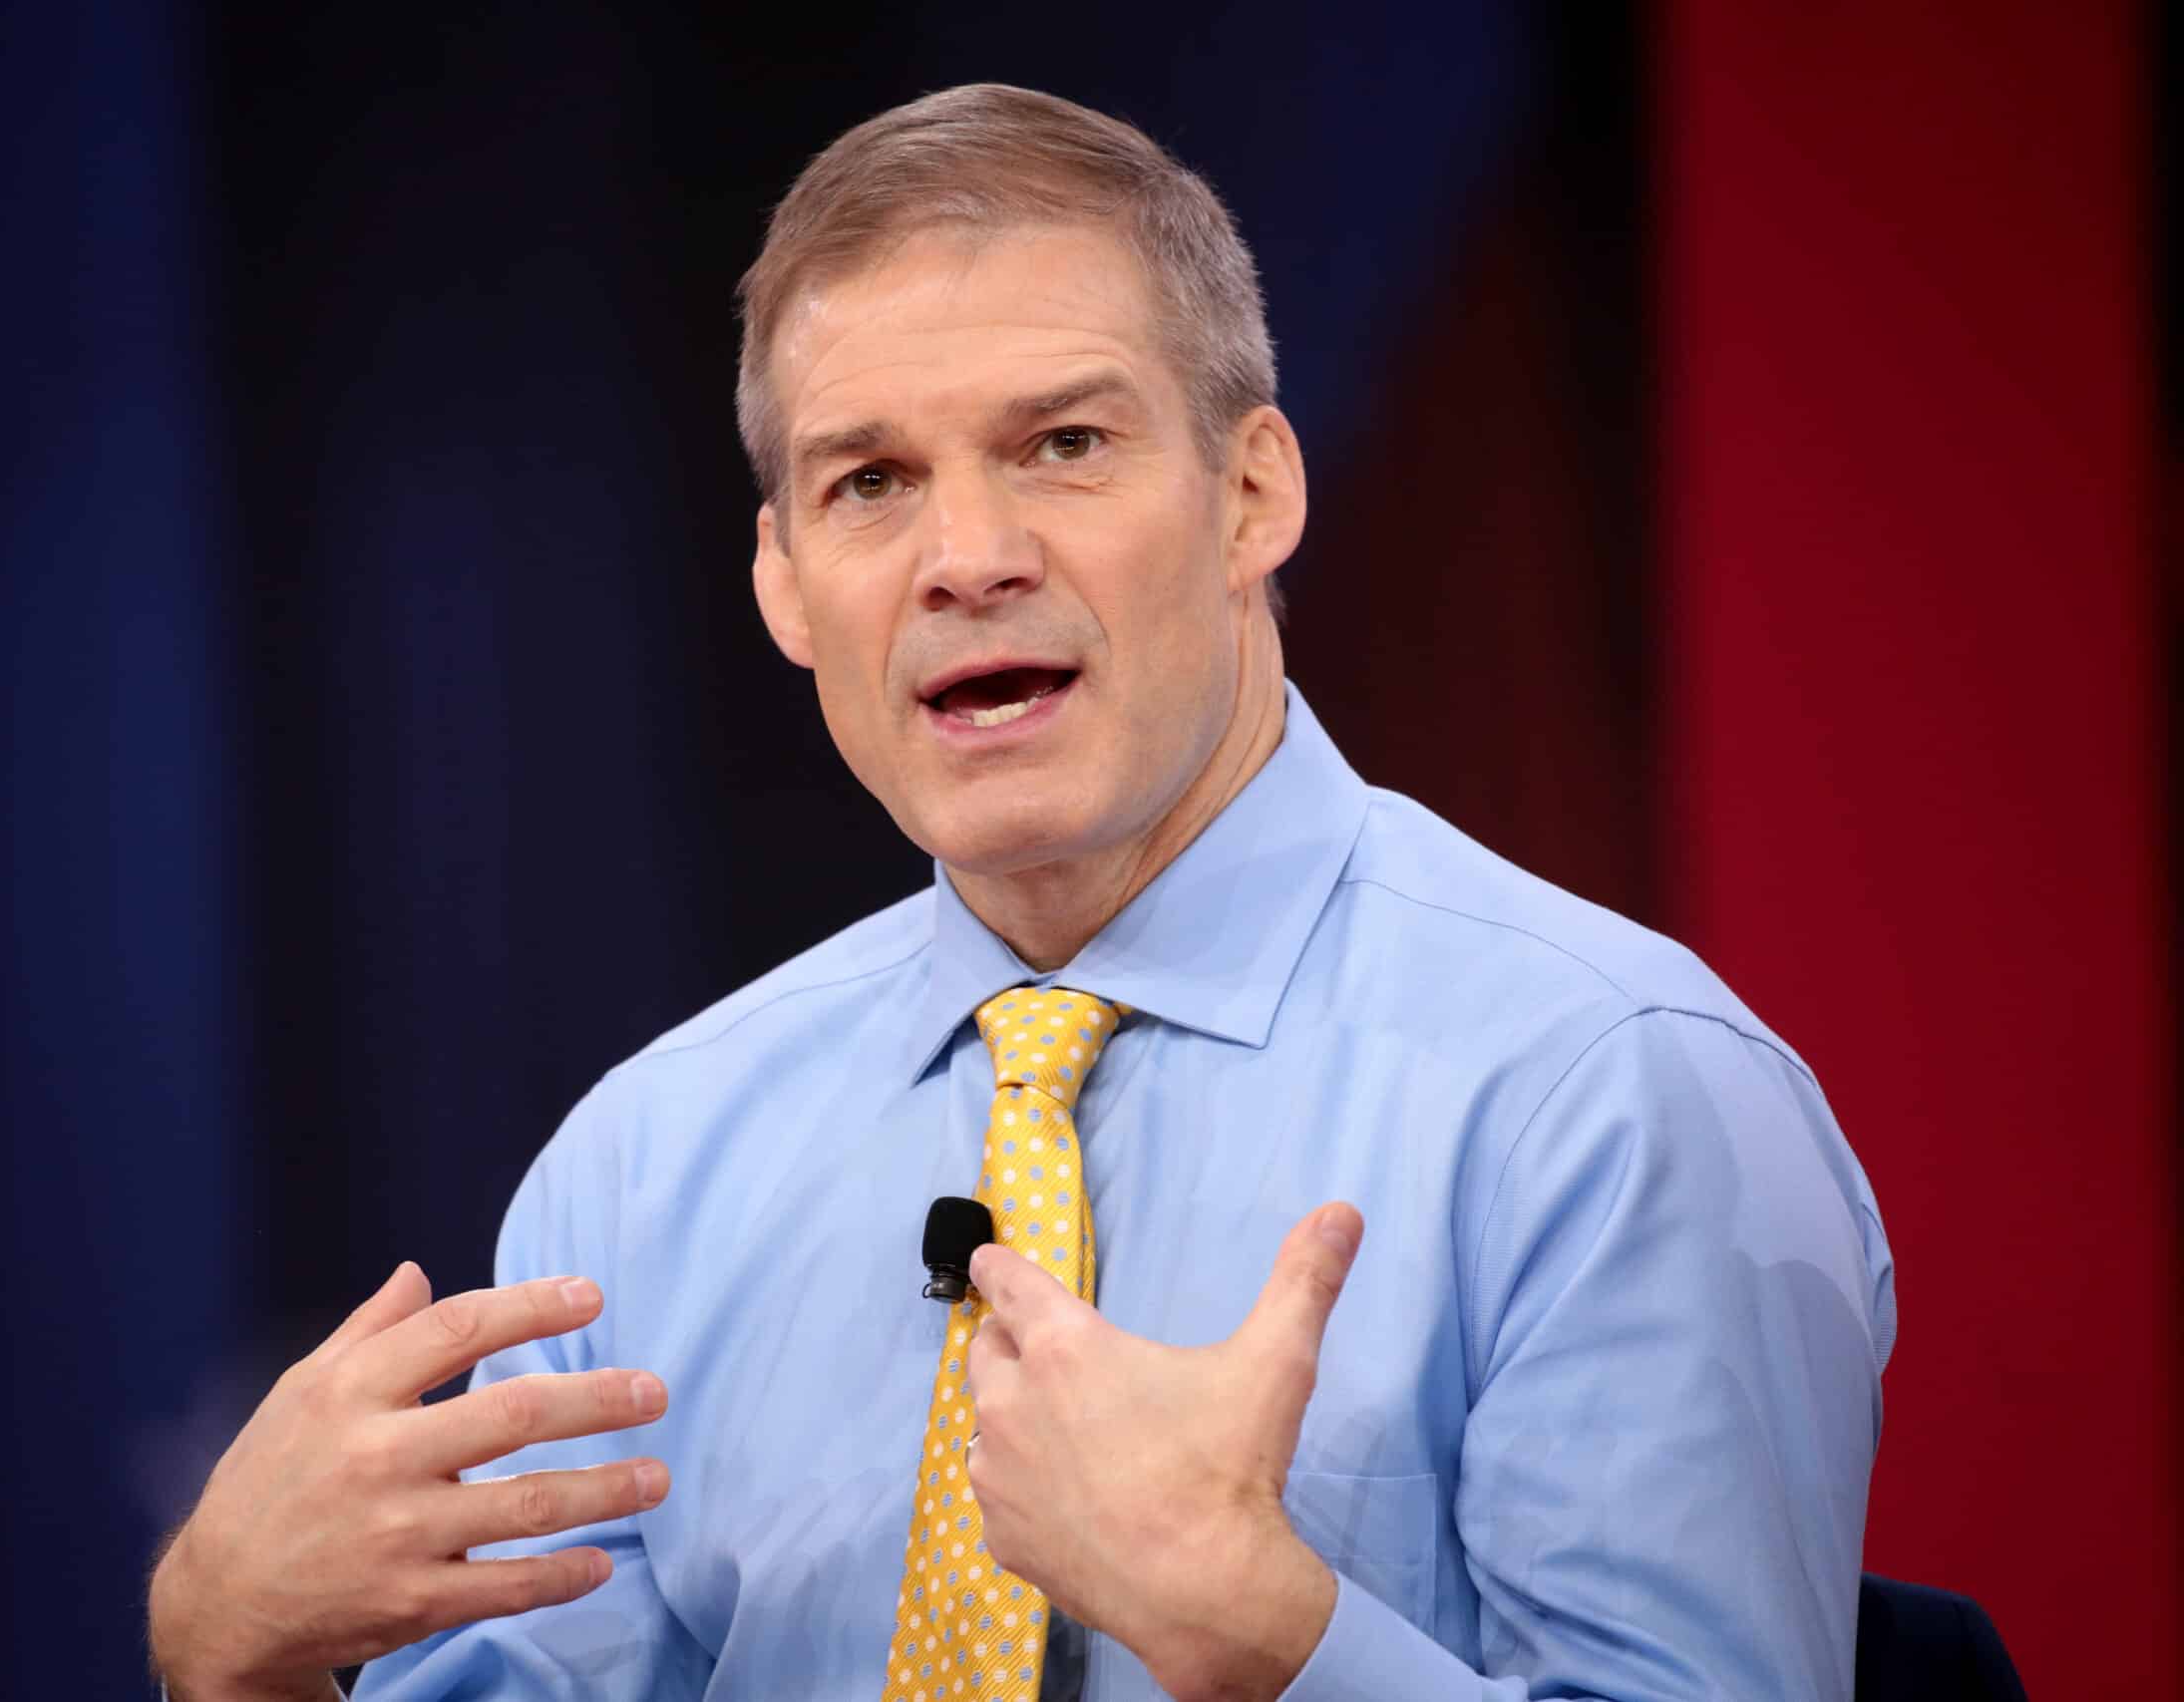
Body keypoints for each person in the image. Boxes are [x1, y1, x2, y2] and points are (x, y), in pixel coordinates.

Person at [147, 84, 1896, 1702]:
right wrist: (237, 1664)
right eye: (871, 482)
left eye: (1062, 443)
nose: (968, 558)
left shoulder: (1613, 1092)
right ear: (782, 583)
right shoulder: (646, 1169)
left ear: (1253, 492)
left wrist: (1270, 1633)